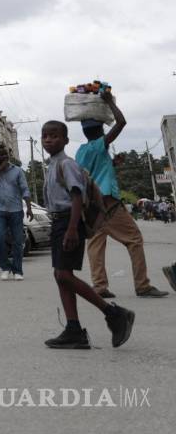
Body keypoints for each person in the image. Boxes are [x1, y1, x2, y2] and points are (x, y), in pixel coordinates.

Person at [40, 120, 134, 349]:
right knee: (60, 275)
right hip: (58, 223)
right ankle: (73, 329)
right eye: (45, 136)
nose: (49, 140)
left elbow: (76, 196)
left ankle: (114, 313)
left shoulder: (67, 164)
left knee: (63, 275)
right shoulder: (52, 165)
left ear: (65, 140)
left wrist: (72, 229)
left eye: (54, 136)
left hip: (68, 222)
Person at [75, 94, 168, 299]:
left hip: (90, 203)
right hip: (107, 201)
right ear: (100, 129)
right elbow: (122, 122)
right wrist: (108, 101)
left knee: (96, 245)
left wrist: (113, 163)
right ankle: (142, 285)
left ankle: (99, 286)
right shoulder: (100, 144)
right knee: (134, 239)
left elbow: (92, 173)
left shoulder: (81, 150)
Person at [0, 143, 33, 280]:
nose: (2, 156)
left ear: (8, 154)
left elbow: (25, 189)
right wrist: (0, 170)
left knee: (18, 241)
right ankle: (5, 267)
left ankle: (18, 271)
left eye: (4, 154)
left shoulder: (17, 170)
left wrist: (29, 208)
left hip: (16, 210)